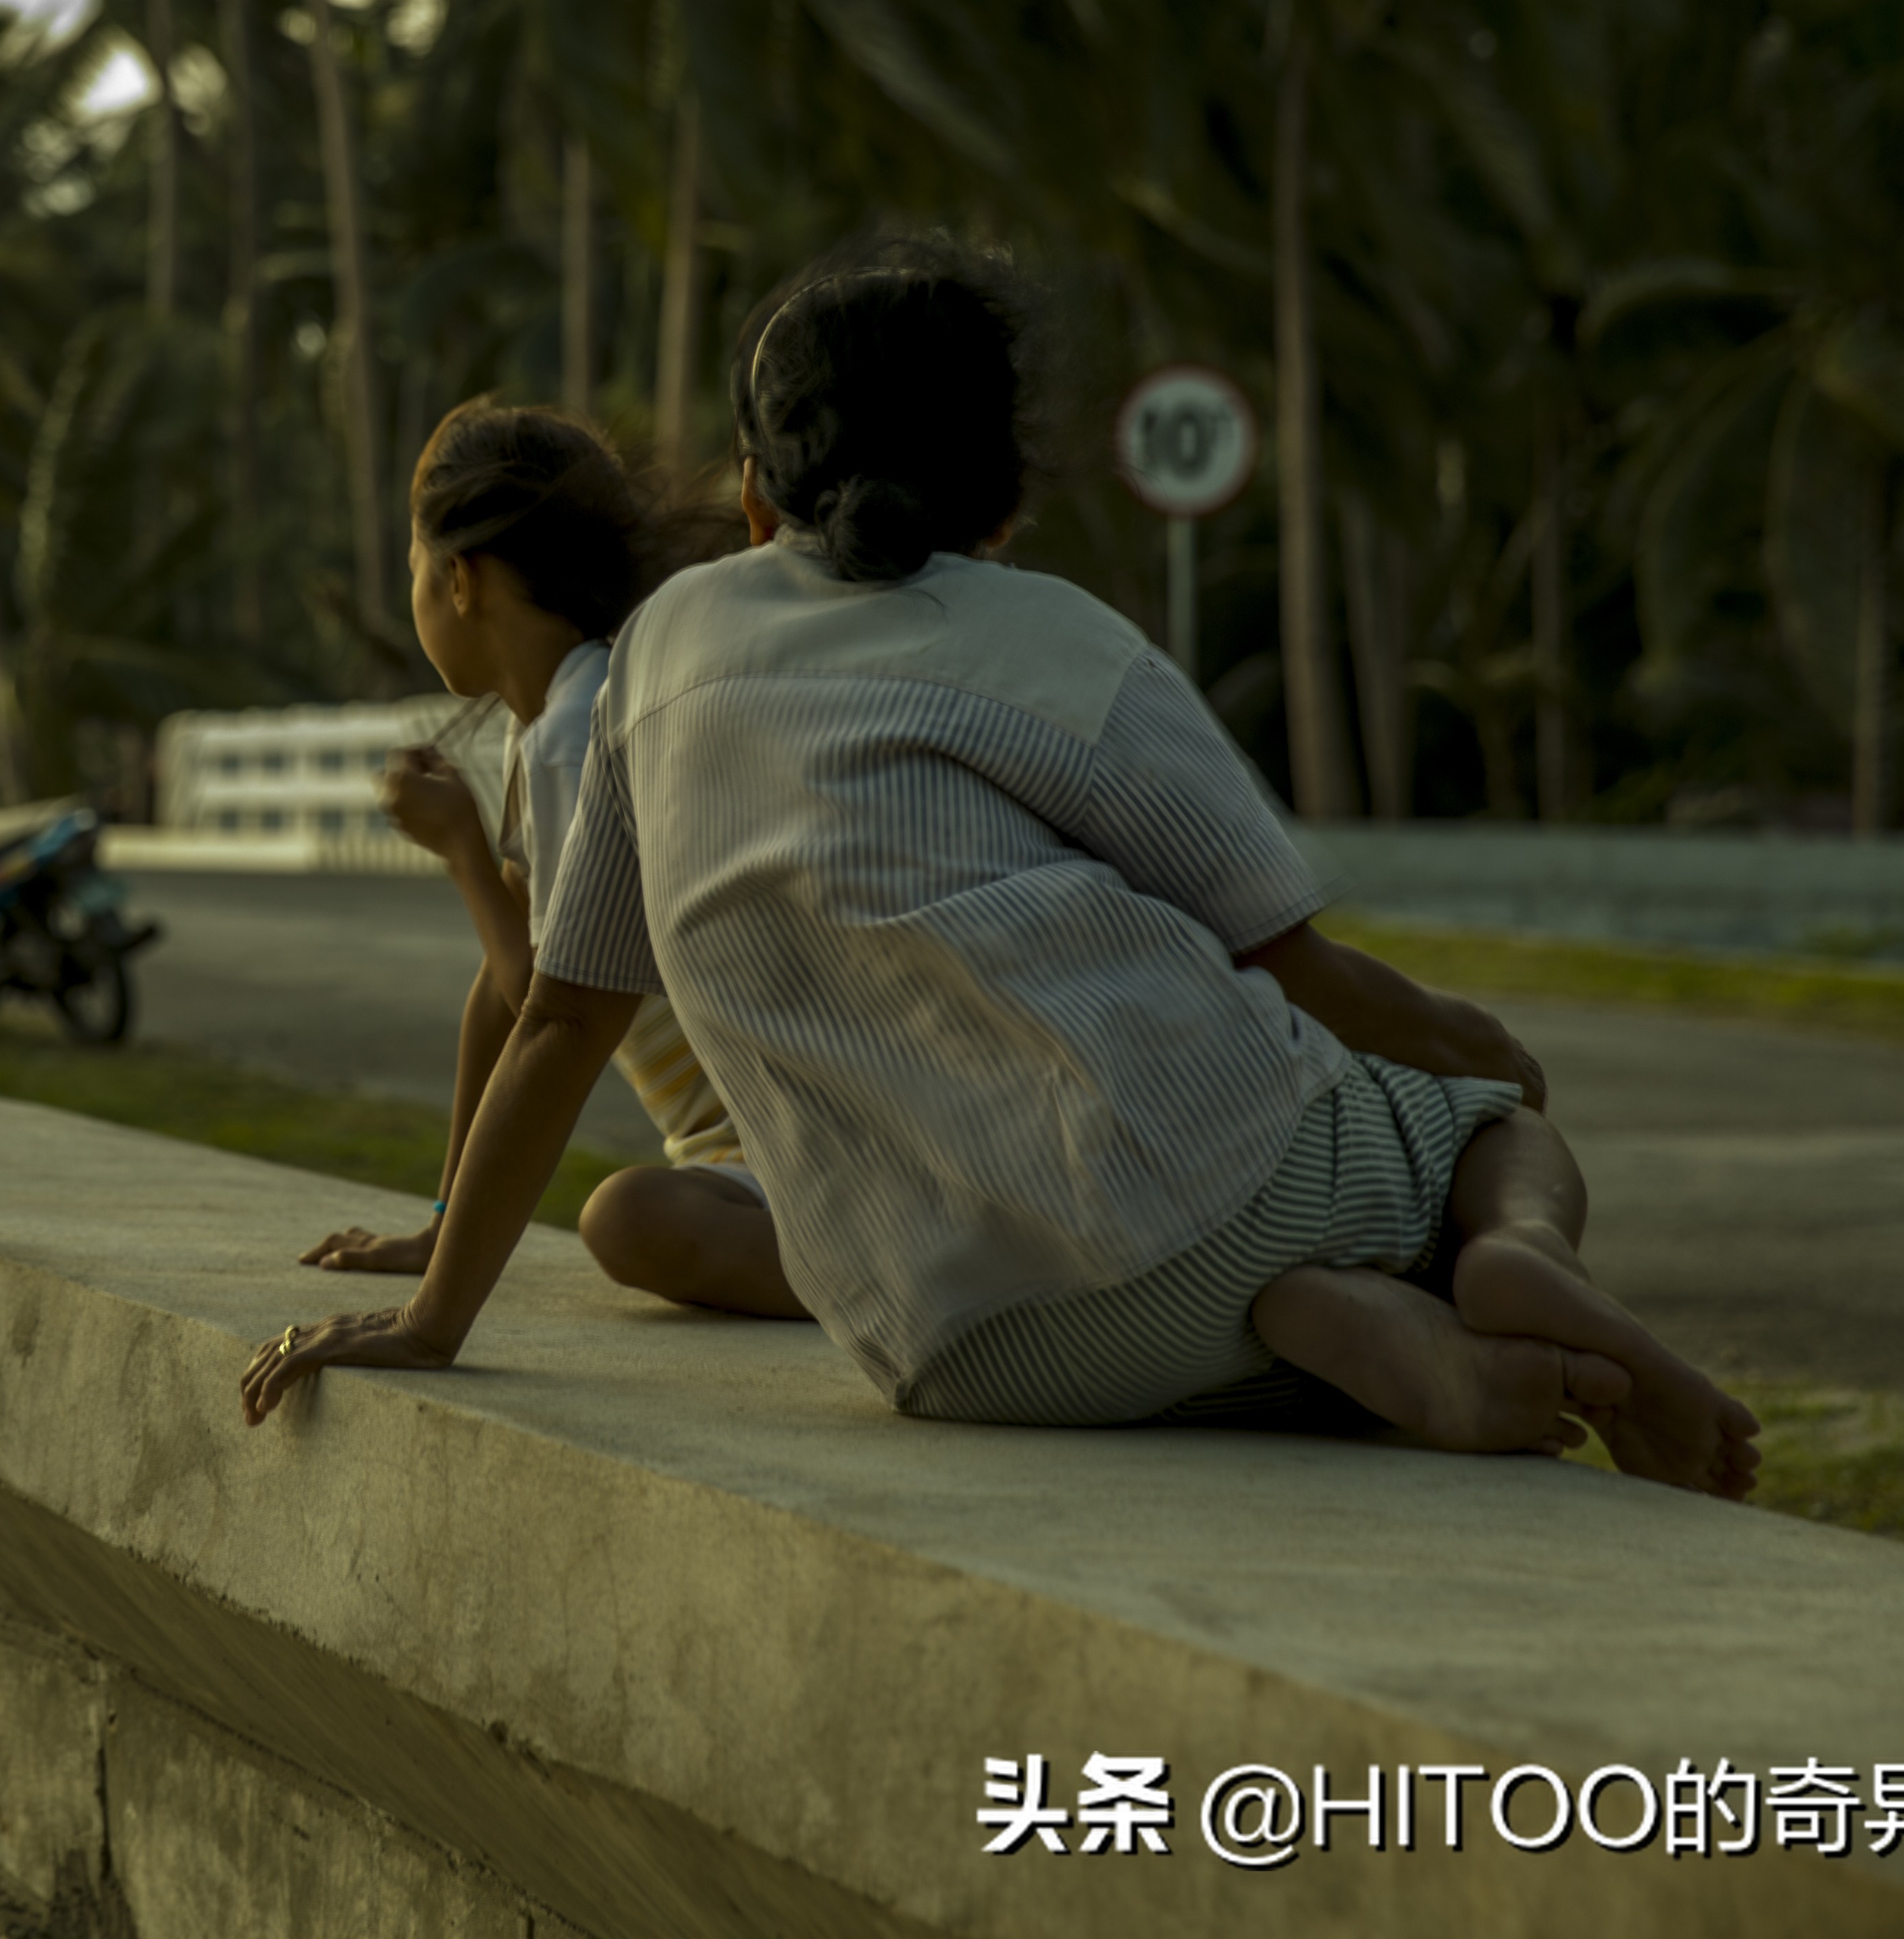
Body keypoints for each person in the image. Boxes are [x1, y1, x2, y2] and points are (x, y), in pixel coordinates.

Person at [240, 235, 1762, 1505]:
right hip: (1212, 1192)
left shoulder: (655, 658)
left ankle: (1340, 1337)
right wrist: (1474, 1054)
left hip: (958, 1346)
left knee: (1170, 1306)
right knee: (1490, 1127)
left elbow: (560, 1020)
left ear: (757, 497)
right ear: (1006, 497)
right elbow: (1293, 965)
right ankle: (1492, 1261)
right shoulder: (1067, 643)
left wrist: (435, 1319)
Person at [297, 403, 797, 1317]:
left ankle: (879, 1278)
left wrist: (461, 848)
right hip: (743, 1163)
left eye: (413, 567)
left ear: (460, 579)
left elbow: (548, 1006)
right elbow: (504, 995)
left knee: (626, 1221)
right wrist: (443, 1228)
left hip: (787, 1161)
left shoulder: (577, 734)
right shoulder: (560, 715)